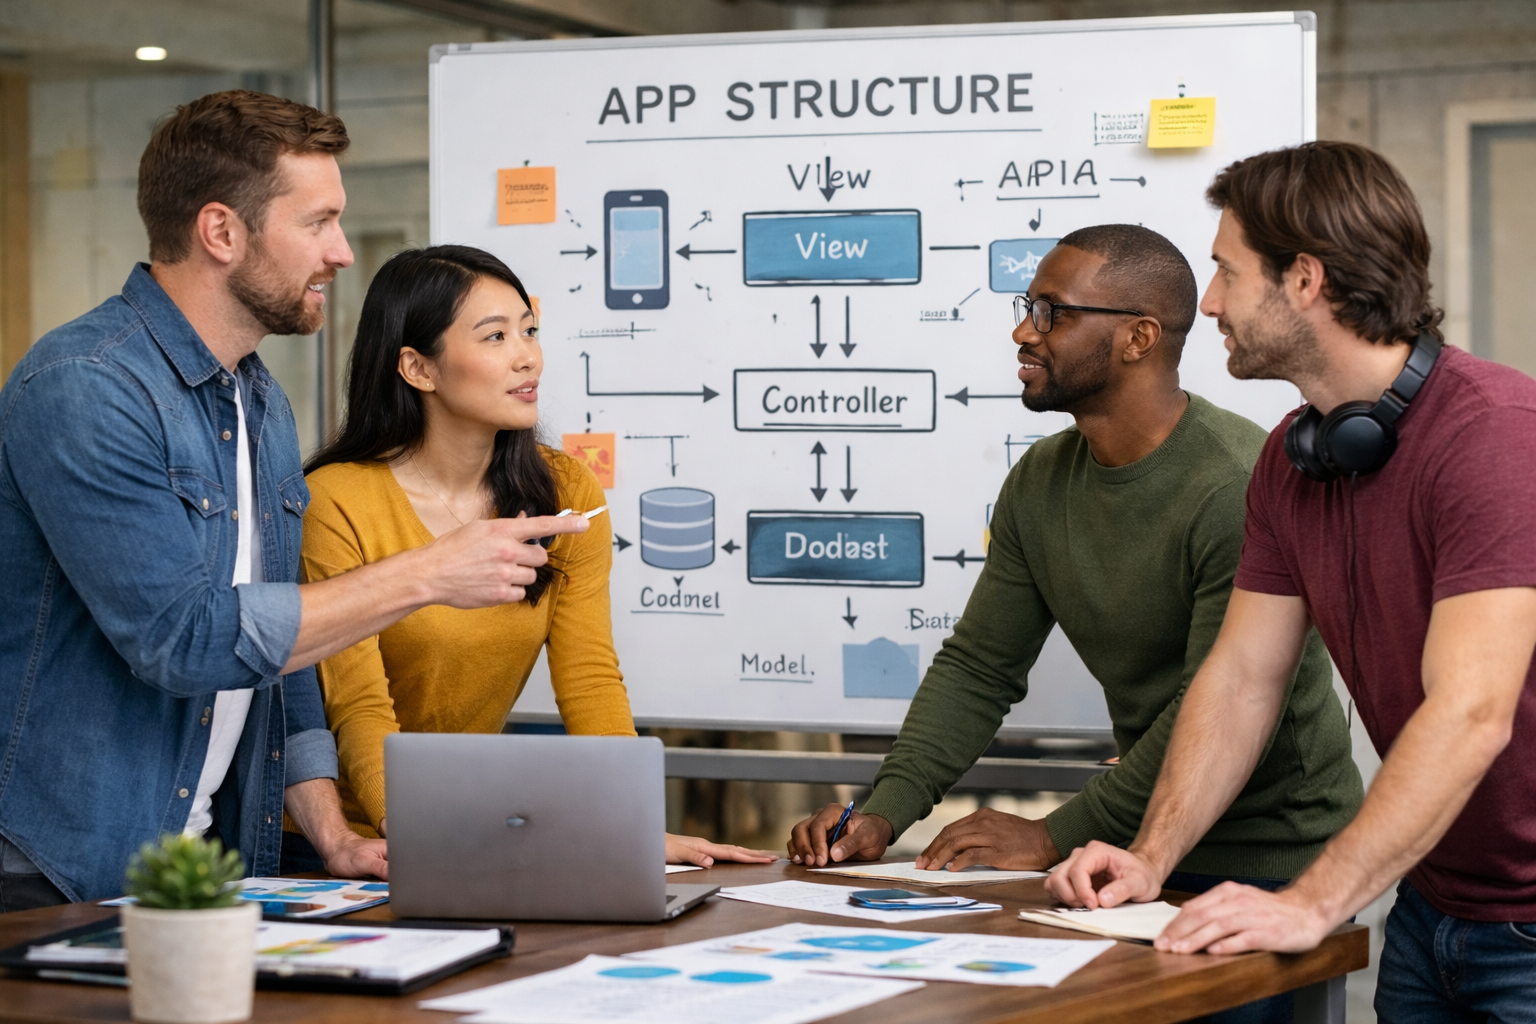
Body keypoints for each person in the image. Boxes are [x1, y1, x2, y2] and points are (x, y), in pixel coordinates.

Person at [0, 92, 588, 911]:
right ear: (221, 232)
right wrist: (425, 574)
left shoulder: (259, 400)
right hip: (56, 869)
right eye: (318, 223)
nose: (343, 253)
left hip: (206, 861)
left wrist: (328, 824)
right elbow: (184, 638)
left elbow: (284, 652)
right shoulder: (86, 389)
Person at [1046, 143, 1536, 1021]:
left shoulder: (1495, 436)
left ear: (1304, 279)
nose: (1210, 302)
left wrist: (1312, 901)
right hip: (1435, 907)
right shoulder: (1291, 457)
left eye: (1228, 273)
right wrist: (1151, 857)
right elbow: (1240, 681)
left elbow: (1471, 712)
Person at [788, 225, 1361, 897]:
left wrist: (1055, 834)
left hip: (1269, 857)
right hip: (1129, 847)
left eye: (1050, 313)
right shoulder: (1041, 477)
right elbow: (979, 666)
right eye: (1027, 310)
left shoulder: (1235, 483)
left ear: (1138, 338)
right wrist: (885, 811)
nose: (1023, 334)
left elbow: (1219, 700)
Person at [297, 244, 773, 869]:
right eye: (494, 337)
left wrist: (627, 823)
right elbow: (357, 704)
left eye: (529, 330)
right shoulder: (336, 499)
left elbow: (590, 677)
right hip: (346, 844)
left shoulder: (563, 491)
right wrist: (424, 830)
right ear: (418, 368)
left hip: (467, 826)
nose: (528, 356)